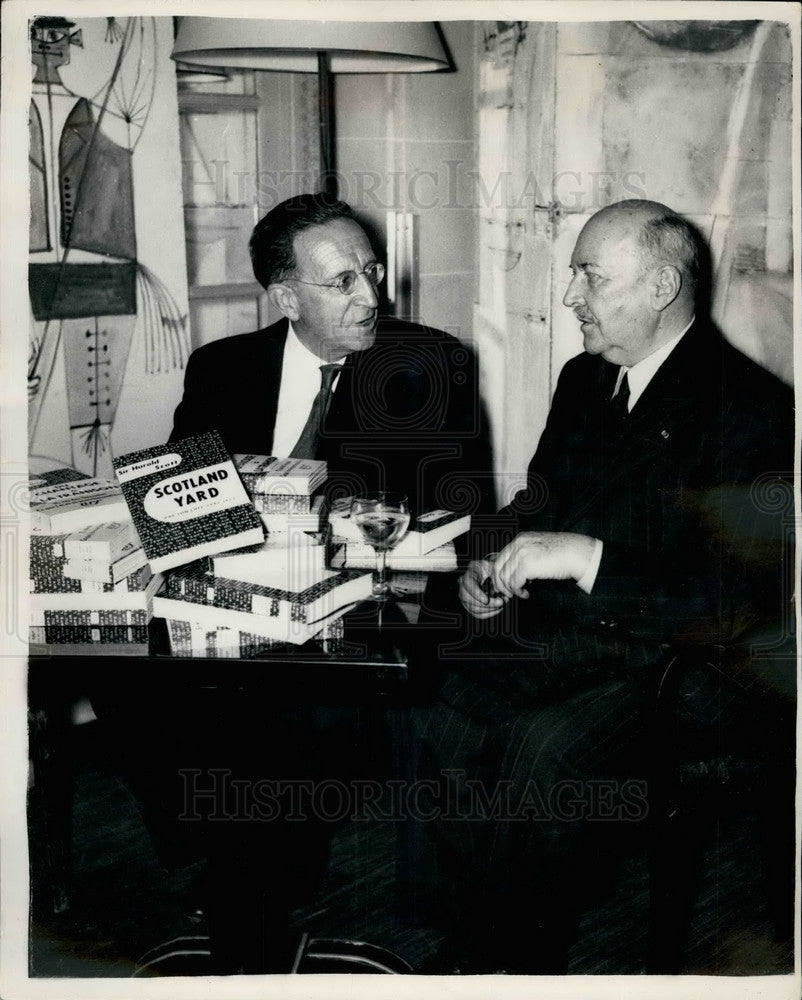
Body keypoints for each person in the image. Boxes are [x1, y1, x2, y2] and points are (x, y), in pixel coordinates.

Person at [415, 199, 794, 973]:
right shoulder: (585, 380)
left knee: (542, 746)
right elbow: (536, 505)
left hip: (676, 668)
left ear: (659, 286)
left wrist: (587, 558)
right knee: (435, 704)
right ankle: (473, 929)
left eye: (590, 276)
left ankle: (523, 962)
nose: (569, 298)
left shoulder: (754, 409)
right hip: (570, 638)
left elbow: (734, 605)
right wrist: (487, 561)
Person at [171, 192, 492, 518]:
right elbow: (182, 502)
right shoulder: (217, 369)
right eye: (344, 282)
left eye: (371, 272)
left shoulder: (430, 365)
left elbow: (459, 510)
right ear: (287, 301)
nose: (371, 298)